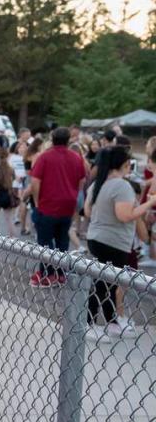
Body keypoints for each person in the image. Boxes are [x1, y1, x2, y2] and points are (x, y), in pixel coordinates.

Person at [83, 146, 156, 343]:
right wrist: (148, 204)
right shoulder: (121, 186)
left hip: (97, 238)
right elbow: (124, 216)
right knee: (103, 283)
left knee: (106, 282)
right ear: (124, 164)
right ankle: (88, 323)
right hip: (113, 242)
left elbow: (88, 212)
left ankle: (111, 321)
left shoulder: (97, 184)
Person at [28, 127, 87, 287]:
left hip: (48, 204)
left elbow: (35, 181)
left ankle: (47, 274)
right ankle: (60, 274)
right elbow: (82, 180)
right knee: (62, 240)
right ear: (68, 140)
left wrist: (37, 201)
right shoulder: (76, 157)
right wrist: (74, 193)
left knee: (45, 242)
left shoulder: (44, 157)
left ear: (52, 139)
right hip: (67, 205)